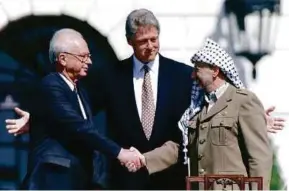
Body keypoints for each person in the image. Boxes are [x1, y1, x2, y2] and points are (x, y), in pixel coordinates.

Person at [6, 9, 284, 189]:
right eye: (143, 41)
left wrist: (256, 118)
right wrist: (41, 117)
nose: (150, 46)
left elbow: (210, 109)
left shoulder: (185, 74)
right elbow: (76, 109)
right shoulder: (111, 76)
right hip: (127, 182)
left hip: (173, 180)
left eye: (154, 39)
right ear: (130, 41)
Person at [135, 38, 273, 190]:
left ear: (215, 70)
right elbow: (182, 148)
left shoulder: (243, 101)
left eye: (197, 69)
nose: (193, 75)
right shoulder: (197, 108)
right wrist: (143, 159)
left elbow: (259, 158)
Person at [15, 28, 142, 190]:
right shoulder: (51, 84)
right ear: (63, 59)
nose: (89, 62)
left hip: (80, 179)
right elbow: (77, 126)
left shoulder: (80, 91)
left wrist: (36, 119)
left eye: (89, 56)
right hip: (54, 178)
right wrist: (120, 153)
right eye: (83, 57)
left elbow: (64, 120)